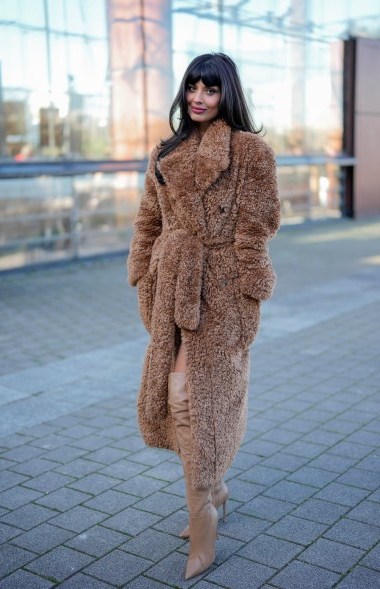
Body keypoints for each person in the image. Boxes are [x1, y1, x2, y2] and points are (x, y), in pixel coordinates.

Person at [127, 52, 281, 580]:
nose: (198, 97)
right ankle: (213, 487)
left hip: (219, 293)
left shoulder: (250, 152)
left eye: (210, 89)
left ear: (227, 94)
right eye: (192, 87)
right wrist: (143, 274)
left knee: (192, 400)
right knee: (179, 400)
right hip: (170, 287)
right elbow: (149, 219)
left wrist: (250, 294)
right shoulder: (165, 152)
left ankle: (205, 522)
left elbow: (257, 228)